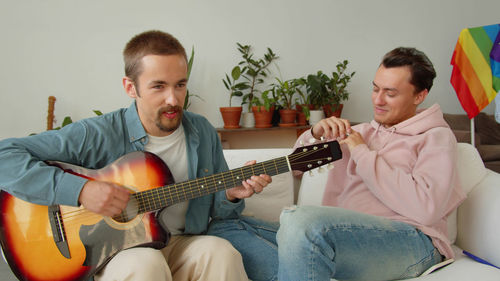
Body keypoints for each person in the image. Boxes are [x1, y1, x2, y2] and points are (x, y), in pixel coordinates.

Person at [0, 30, 278, 281]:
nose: (173, 99)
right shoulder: (97, 133)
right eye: (159, 86)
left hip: (178, 242)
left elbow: (219, 214)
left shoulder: (202, 131)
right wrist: (81, 189)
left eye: (180, 85)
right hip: (115, 253)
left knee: (220, 252)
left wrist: (229, 194)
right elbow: (4, 155)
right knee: (145, 263)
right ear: (130, 87)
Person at [277, 47, 467, 281]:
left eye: (390, 93)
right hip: (347, 238)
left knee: (300, 223)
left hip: (413, 241)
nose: (378, 100)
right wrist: (315, 134)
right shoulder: (359, 132)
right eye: (376, 89)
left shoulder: (435, 137)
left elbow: (425, 209)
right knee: (237, 229)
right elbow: (296, 168)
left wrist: (361, 153)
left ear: (420, 96)